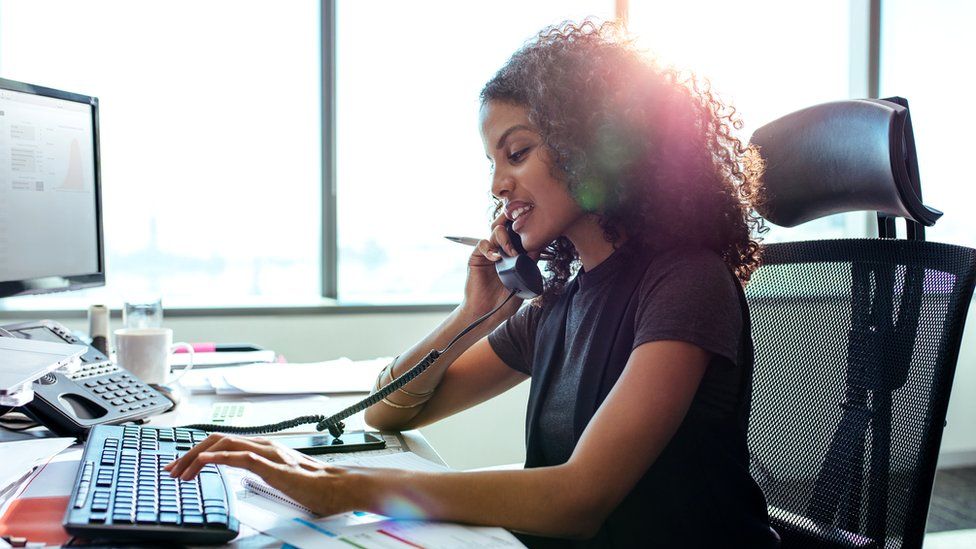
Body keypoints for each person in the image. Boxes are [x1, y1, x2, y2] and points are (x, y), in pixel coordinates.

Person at [166, 20, 778, 547]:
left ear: (592, 146)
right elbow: (388, 413)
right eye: (493, 162)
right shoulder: (561, 301)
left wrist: (343, 488)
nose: (497, 186)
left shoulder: (686, 282)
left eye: (517, 153)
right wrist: (474, 313)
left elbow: (579, 500)